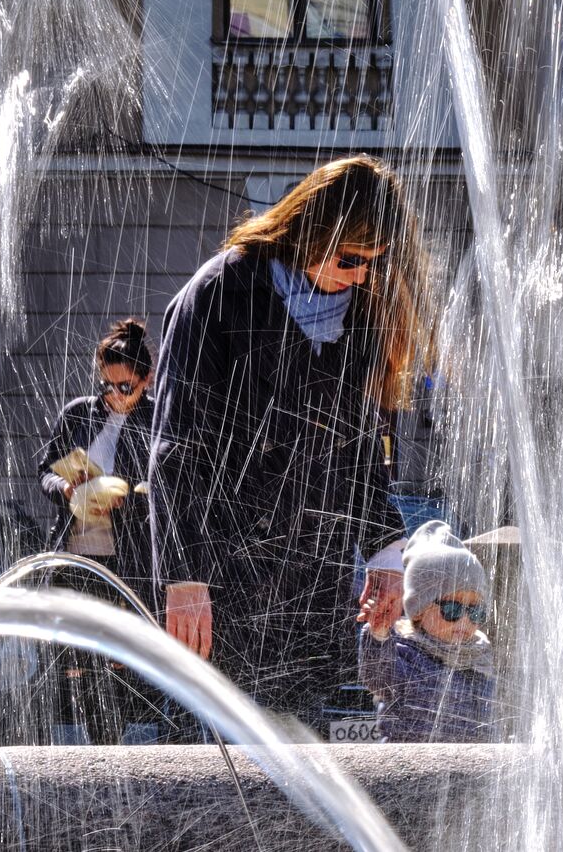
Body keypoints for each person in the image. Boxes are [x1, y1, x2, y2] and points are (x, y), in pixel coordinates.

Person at [149, 155, 434, 726]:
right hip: (223, 585)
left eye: (373, 264)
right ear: (312, 230)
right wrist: (184, 577)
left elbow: (360, 451)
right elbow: (177, 450)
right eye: (351, 259)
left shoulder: (359, 316)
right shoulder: (219, 293)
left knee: (294, 773)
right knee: (208, 769)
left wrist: (384, 557)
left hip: (310, 591)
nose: (360, 276)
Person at [35, 318, 157, 743]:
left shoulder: (159, 419)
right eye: (106, 385)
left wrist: (131, 498)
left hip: (125, 561)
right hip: (75, 554)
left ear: (146, 379)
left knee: (120, 659)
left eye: (125, 387)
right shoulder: (77, 413)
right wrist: (67, 488)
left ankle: (116, 752)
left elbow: (173, 488)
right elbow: (45, 471)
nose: (114, 396)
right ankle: (89, 754)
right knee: (76, 659)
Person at [358, 521, 496, 743]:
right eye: (452, 609)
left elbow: (488, 722)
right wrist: (379, 633)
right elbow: (377, 676)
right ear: (419, 610)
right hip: (408, 765)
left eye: (476, 612)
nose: (464, 620)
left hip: (464, 767)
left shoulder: (478, 658)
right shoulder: (406, 652)